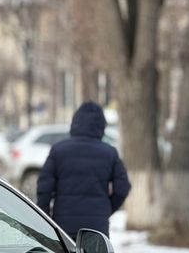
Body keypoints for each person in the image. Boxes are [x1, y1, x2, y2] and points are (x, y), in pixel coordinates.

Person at [36, 101, 131, 239]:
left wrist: (46, 220)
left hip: (63, 228)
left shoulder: (58, 151)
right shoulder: (109, 153)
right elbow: (122, 188)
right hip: (96, 229)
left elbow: (44, 189)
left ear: (74, 123)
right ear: (102, 126)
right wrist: (105, 210)